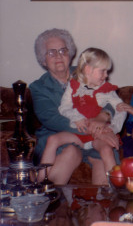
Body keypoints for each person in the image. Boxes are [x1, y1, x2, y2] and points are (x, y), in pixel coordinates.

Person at [30, 28, 120, 185]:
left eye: (62, 50)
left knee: (102, 158)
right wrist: (93, 130)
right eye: (51, 52)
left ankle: (102, 204)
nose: (58, 56)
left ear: (70, 54)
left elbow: (110, 100)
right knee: (72, 152)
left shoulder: (87, 74)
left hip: (95, 135)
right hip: (62, 137)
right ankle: (47, 197)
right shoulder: (38, 87)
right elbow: (52, 119)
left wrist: (103, 116)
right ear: (43, 60)